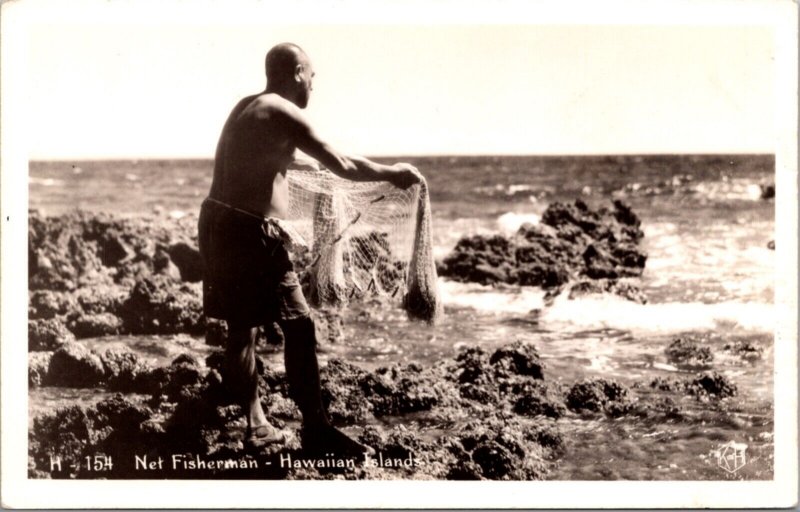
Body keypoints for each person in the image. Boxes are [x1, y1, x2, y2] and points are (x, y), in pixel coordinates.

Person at [198, 43, 420, 456]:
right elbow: (342, 164)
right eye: (313, 77)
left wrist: (312, 166)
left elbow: (279, 159)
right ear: (298, 71)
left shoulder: (248, 106)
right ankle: (316, 427)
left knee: (241, 328)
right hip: (250, 232)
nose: (313, 87)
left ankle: (255, 422)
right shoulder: (284, 110)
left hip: (216, 224)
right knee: (299, 325)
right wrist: (394, 174)